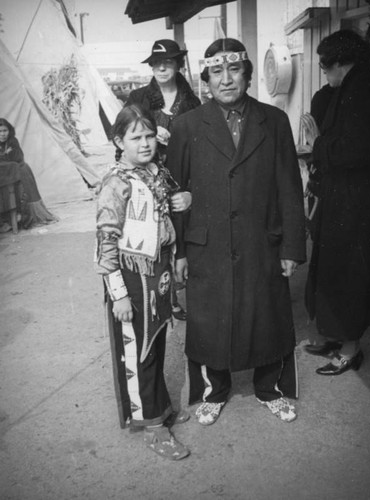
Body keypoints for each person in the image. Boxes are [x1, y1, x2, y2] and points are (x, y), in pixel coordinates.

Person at [166, 38, 306, 425]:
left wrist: (292, 246)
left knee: (267, 316)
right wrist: (178, 252)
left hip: (262, 240)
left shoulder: (274, 121)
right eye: (216, 72)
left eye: (233, 70)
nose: (226, 80)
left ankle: (269, 389)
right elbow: (175, 192)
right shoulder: (186, 125)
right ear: (205, 79)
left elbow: (290, 189)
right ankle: (216, 391)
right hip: (206, 245)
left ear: (246, 74)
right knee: (211, 320)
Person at [94, 104, 190, 460]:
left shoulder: (155, 173)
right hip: (132, 279)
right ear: (119, 141)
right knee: (139, 351)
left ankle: (160, 407)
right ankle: (152, 426)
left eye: (150, 135)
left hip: (158, 272)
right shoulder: (115, 183)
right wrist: (117, 295)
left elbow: (165, 217)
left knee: (157, 343)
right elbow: (105, 243)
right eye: (136, 137)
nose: (145, 143)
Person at [301, 29, 370, 375]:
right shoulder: (350, 86)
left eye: (324, 65)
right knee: (332, 269)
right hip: (342, 198)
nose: (323, 71)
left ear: (339, 62)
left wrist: (318, 146)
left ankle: (350, 347)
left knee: (349, 273)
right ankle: (335, 335)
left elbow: (356, 150)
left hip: (357, 202)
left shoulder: (365, 89)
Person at [126, 39, 201, 321]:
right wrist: (149, 130)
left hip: (181, 176)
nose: (160, 67)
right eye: (155, 63)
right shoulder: (139, 98)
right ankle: (158, 295)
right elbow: (122, 132)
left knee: (180, 232)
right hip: (148, 175)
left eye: (167, 62)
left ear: (177, 65)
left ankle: (176, 291)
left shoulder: (192, 101)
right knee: (153, 233)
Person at [0, 118, 57, 230]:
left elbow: (17, 158)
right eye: (0, 131)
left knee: (22, 193)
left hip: (21, 171)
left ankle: (23, 217)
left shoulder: (12, 141)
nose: (2, 134)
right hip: (7, 174)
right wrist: (5, 155)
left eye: (5, 131)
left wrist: (4, 157)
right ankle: (9, 219)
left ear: (9, 131)